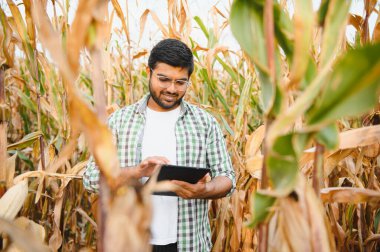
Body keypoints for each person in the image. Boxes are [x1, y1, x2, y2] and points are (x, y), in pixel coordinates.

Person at [83, 38, 235, 252]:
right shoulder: (118, 122)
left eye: (181, 82)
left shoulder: (205, 122)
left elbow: (227, 177)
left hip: (188, 243)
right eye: (163, 79)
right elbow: (90, 179)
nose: (172, 89)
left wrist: (203, 190)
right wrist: (137, 171)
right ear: (149, 72)